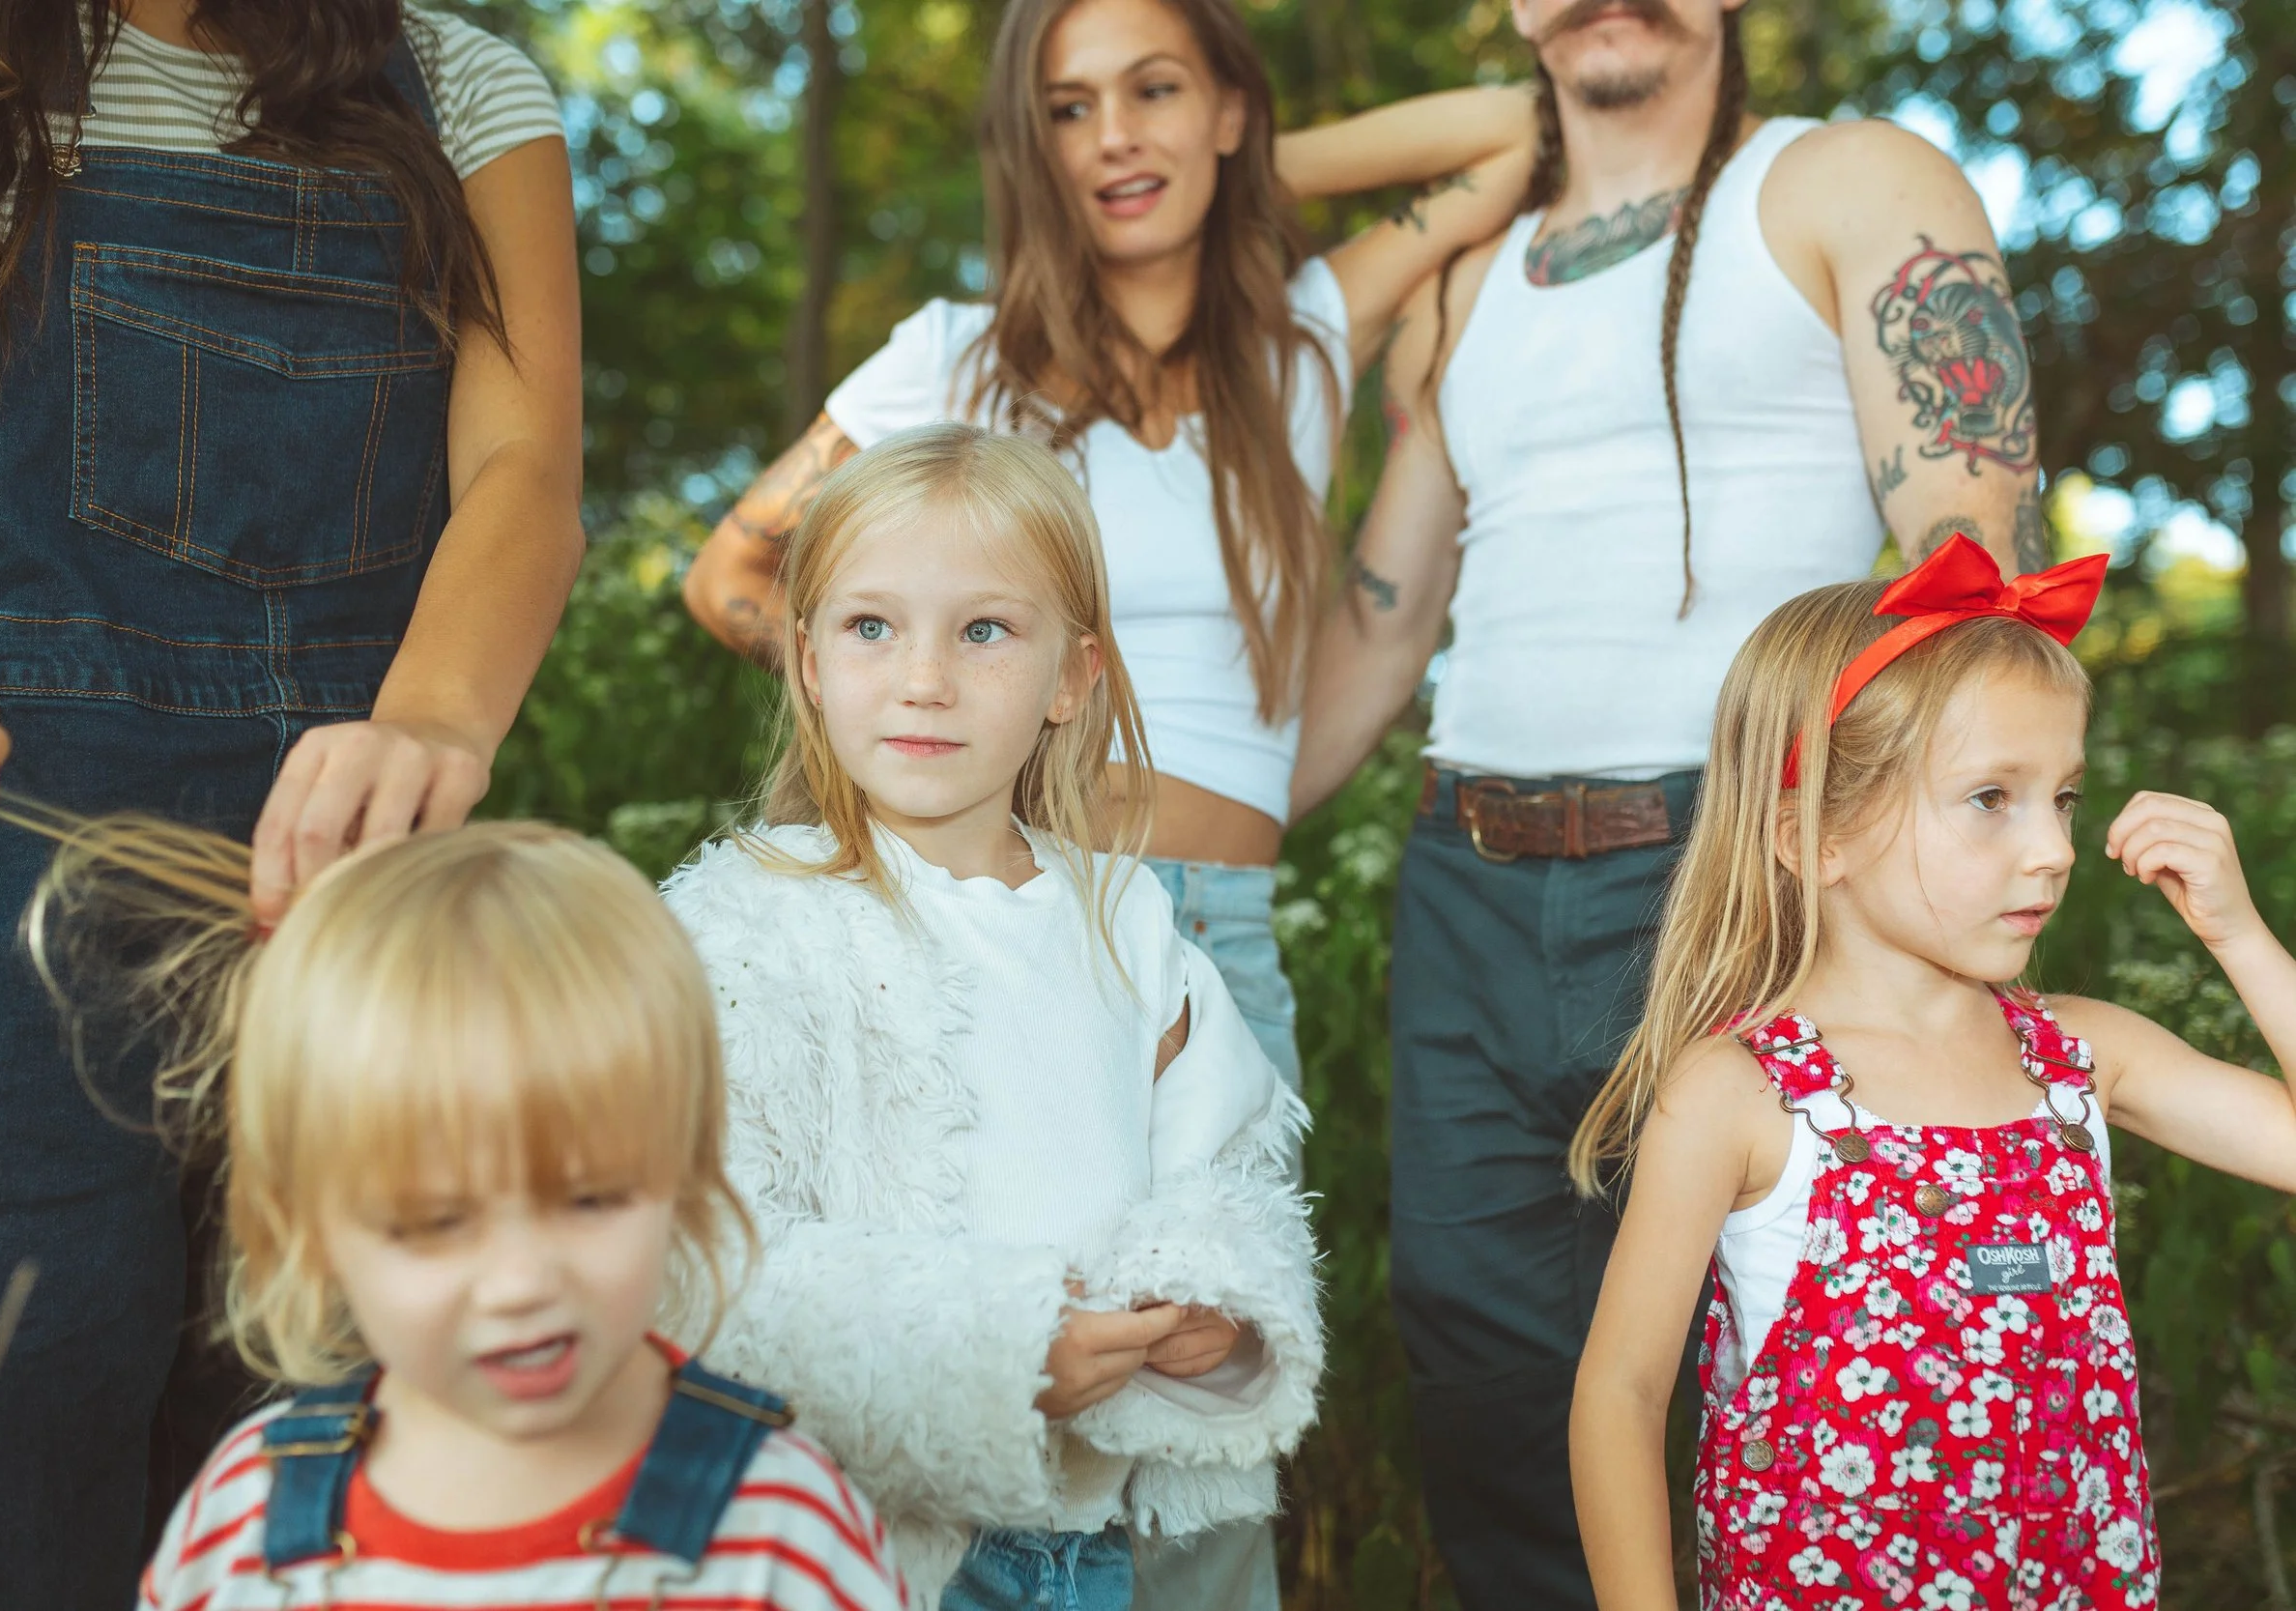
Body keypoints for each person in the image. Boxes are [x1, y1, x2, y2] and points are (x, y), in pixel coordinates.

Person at [686, 24, 1526, 1592]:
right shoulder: (954, 349)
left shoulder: (1307, 335)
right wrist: (921, 729)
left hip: (1204, 930)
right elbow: (730, 567)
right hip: (957, 909)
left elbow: (1510, 133)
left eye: (1153, 91)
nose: (1111, 140)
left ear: (1227, 113)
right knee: (961, 1388)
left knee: (1202, 1413)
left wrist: (1227, 160)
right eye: (1066, 112)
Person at [1287, 0, 2050, 1597]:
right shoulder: (1469, 280)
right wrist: (1174, 833)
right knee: (1488, 1383)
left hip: (1750, 861)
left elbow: (1968, 572)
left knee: (1777, 1379)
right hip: (1469, 878)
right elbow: (1378, 617)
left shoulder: (1847, 182)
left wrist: (1907, 870)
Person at [0, 3, 581, 1601]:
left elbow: (527, 472)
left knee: (325, 1460)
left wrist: (434, 720)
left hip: (343, 897)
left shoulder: (466, 88)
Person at [663, 424, 1322, 1611]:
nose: (925, 677)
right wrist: (997, 1352)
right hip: (861, 1541)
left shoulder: (1125, 918)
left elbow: (1225, 1169)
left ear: (1072, 676)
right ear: (807, 657)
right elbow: (720, 1254)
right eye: (873, 626)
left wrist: (1214, 1307)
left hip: (1092, 1543)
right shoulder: (747, 920)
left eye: (983, 630)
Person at [1567, 536, 2296, 1606]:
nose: (2049, 846)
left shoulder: (2083, 1057)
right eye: (1991, 797)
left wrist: (2240, 938)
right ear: (1813, 836)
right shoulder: (1739, 1093)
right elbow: (1619, 1395)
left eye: (2063, 798)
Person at [0, 815, 906, 1609]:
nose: (519, 1283)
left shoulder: (781, 1530)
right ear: (312, 1229)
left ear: (685, 1174)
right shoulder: (247, 1526)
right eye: (434, 1224)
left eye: (589, 1200)